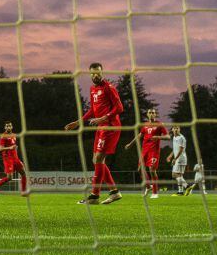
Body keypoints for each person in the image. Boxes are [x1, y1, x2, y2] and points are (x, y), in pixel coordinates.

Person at [64, 63, 124, 205]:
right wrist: (78, 122)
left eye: (97, 73)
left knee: (98, 159)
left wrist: (103, 118)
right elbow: (92, 110)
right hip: (101, 127)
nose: (95, 75)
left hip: (110, 126)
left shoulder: (109, 88)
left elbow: (119, 107)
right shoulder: (92, 89)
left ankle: (94, 196)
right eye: (92, 73)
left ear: (102, 73)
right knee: (96, 160)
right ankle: (114, 192)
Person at [125, 108, 170, 198]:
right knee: (139, 169)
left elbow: (168, 136)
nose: (151, 114)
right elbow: (139, 135)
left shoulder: (160, 124)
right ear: (147, 114)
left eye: (153, 113)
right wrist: (130, 144)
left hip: (154, 151)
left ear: (155, 114)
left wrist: (158, 137)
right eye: (150, 112)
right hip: (144, 150)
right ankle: (148, 186)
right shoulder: (145, 125)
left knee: (152, 170)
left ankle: (155, 192)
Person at [0, 121, 27, 196]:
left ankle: (23, 192)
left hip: (15, 159)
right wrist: (10, 147)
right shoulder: (3, 136)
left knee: (23, 173)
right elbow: (0, 149)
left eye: (9, 126)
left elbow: (14, 147)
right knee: (9, 178)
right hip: (8, 159)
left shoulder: (14, 135)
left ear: (12, 127)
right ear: (5, 127)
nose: (8, 127)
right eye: (7, 126)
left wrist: (17, 157)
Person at [166, 126, 188, 196]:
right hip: (178, 158)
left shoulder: (181, 138)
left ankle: (187, 186)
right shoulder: (174, 137)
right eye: (174, 128)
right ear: (172, 129)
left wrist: (175, 159)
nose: (176, 129)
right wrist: (170, 155)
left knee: (175, 174)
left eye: (177, 128)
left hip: (180, 158)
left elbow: (181, 150)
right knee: (179, 175)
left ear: (179, 129)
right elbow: (175, 149)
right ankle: (180, 191)